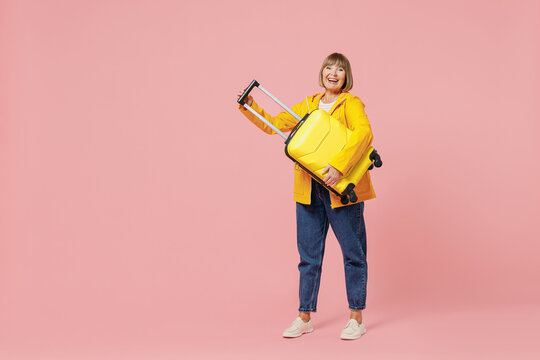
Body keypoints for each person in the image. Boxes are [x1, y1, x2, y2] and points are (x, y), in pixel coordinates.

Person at [237, 53, 376, 340]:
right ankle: (305, 316)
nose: (333, 73)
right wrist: (251, 106)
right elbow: (274, 124)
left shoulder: (351, 103)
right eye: (329, 67)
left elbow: (363, 134)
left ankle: (356, 318)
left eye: (339, 69)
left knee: (353, 254)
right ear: (322, 73)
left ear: (346, 76)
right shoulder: (309, 104)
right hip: (309, 189)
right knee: (308, 257)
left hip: (340, 190)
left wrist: (339, 166)